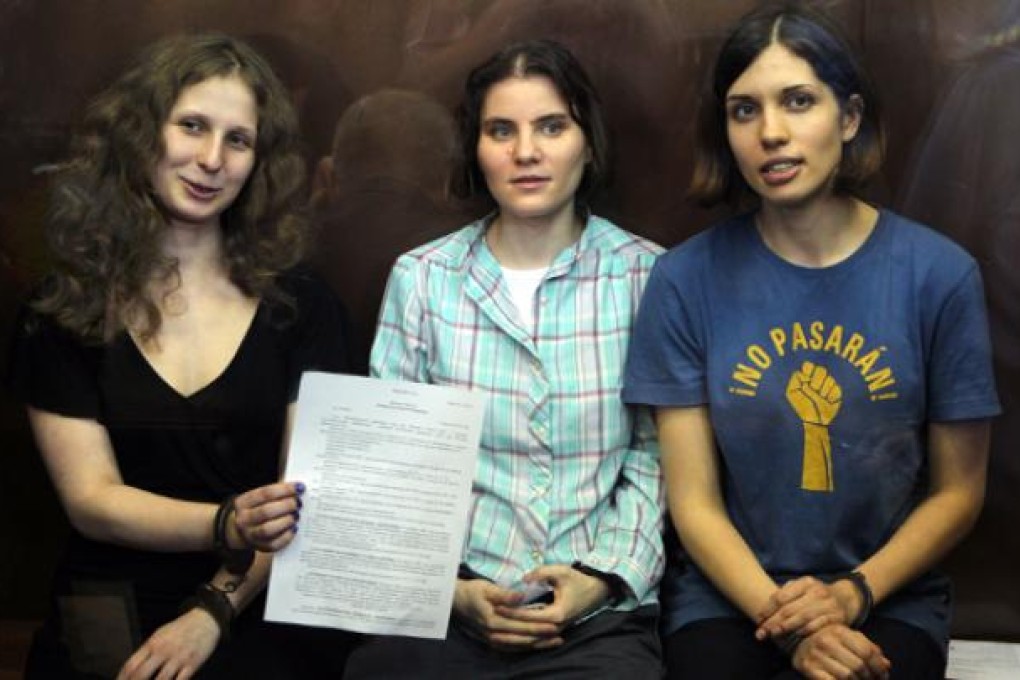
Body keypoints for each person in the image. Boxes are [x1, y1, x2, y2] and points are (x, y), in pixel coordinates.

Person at [622, 3, 1000, 679]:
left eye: (798, 101)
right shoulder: (684, 280)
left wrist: (852, 593)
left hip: (888, 594)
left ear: (848, 118)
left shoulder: (938, 277)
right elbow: (695, 502)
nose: (772, 133)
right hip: (729, 596)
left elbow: (958, 493)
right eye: (745, 110)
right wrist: (793, 624)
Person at [7, 33, 352, 679]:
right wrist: (226, 521)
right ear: (142, 134)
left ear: (260, 162)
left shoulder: (302, 305)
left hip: (253, 596)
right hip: (104, 602)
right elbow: (92, 501)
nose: (211, 159)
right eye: (192, 126)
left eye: (238, 140)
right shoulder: (63, 306)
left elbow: (303, 505)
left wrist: (212, 610)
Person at [344, 39, 665, 679]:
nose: (526, 152)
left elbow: (656, 457)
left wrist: (601, 579)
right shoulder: (423, 279)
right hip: (445, 608)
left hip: (600, 619)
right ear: (476, 149)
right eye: (501, 131)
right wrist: (450, 591)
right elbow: (395, 469)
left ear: (588, 142)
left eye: (551, 126)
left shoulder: (647, 275)